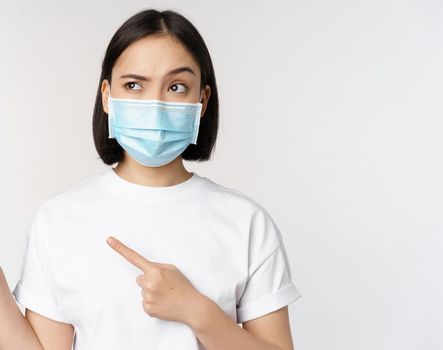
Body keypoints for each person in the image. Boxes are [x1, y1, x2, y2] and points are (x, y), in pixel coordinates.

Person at [0, 9, 301, 350]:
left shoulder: (247, 223)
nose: (155, 105)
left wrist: (198, 311)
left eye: (176, 86)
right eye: (134, 85)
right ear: (106, 96)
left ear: (201, 101)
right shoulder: (58, 219)